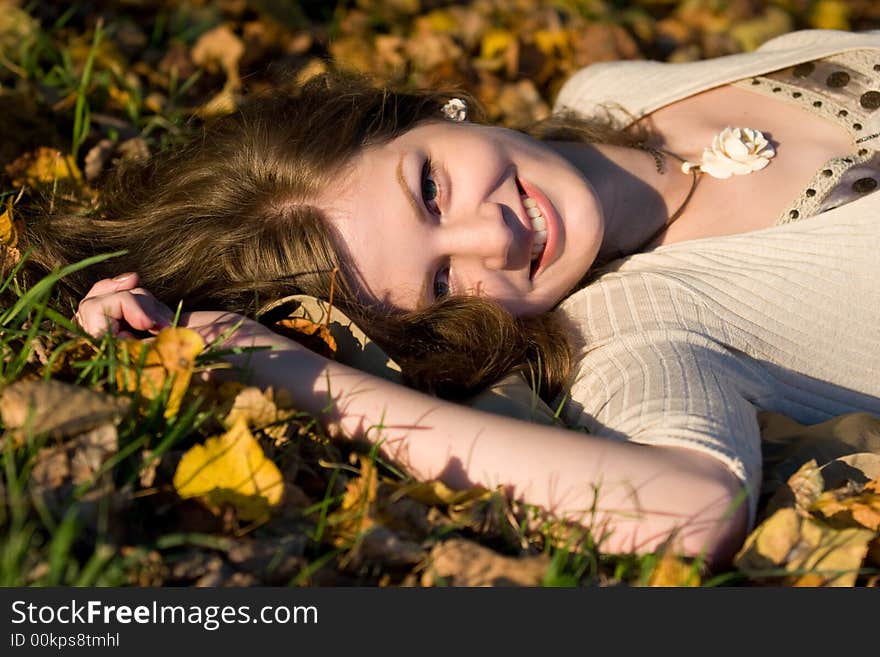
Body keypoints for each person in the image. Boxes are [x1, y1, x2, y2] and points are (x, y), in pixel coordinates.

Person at [24, 28, 880, 569]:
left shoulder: (610, 87)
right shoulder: (641, 331)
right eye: (443, 282)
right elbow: (685, 510)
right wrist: (294, 376)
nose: (494, 238)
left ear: (430, 113)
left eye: (429, 188)